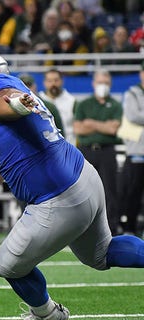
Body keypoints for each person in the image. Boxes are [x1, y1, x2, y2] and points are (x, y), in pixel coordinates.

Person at [0, 50, 144, 319]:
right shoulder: (17, 86)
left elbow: (2, 100)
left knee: (8, 265)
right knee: (101, 254)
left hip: (58, 197)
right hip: (83, 176)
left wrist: (16, 105)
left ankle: (48, 314)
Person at [73, 69, 122, 235]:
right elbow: (78, 128)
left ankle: (111, 229)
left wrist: (91, 123)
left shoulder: (115, 105)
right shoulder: (84, 104)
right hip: (86, 150)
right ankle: (82, 229)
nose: (103, 86)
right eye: (100, 82)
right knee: (83, 189)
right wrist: (103, 125)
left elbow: (113, 129)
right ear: (94, 83)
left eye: (106, 83)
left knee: (109, 190)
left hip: (107, 151)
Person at [118, 61, 144, 236]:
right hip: (137, 152)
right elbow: (133, 115)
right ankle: (130, 229)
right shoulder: (132, 93)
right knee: (133, 194)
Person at [39, 69, 77, 146]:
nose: (53, 84)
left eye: (56, 80)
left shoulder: (72, 101)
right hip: (45, 147)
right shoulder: (38, 101)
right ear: (44, 83)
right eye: (49, 81)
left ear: (62, 81)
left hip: (68, 146)